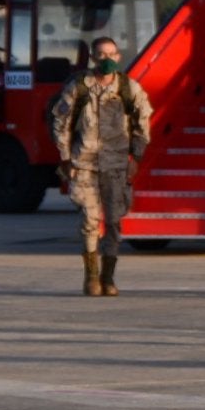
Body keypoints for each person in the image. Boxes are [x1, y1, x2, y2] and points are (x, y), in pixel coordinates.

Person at [49, 36, 153, 297]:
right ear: (94, 58)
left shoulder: (129, 88)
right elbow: (60, 123)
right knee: (89, 219)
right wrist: (65, 158)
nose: (107, 59)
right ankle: (91, 276)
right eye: (101, 55)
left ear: (118, 57)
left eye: (111, 54)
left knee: (115, 221)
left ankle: (109, 277)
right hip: (84, 164)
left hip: (117, 165)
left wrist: (136, 159)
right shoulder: (79, 87)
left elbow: (143, 124)